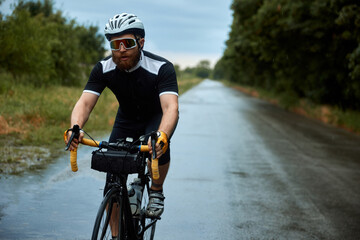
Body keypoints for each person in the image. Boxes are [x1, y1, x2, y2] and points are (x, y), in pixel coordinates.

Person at [65, 13, 179, 219]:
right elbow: (85, 103)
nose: (121, 50)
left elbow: (171, 108)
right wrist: (76, 127)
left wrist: (162, 134)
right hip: (125, 119)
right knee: (112, 186)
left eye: (127, 43)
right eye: (115, 44)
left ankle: (156, 190)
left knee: (159, 144)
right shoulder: (103, 68)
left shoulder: (162, 68)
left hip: (155, 117)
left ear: (141, 42)